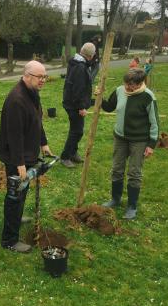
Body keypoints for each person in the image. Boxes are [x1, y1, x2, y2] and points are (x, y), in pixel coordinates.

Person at [0, 60, 53, 253]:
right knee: (15, 194)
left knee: (22, 191)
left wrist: (43, 143)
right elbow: (14, 135)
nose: (43, 80)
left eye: (45, 77)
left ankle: (17, 217)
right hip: (16, 156)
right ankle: (9, 240)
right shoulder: (17, 100)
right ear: (27, 76)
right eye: (40, 77)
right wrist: (19, 163)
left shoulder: (32, 94)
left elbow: (37, 120)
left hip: (27, 154)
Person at [101, 68, 159, 220]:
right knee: (117, 169)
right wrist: (99, 97)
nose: (127, 87)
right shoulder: (120, 90)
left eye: (130, 84)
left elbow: (154, 122)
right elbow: (108, 107)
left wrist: (151, 144)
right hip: (120, 138)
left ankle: (132, 206)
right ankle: (115, 199)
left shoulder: (148, 97)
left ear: (140, 83)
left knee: (134, 172)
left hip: (139, 140)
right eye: (125, 83)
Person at [60, 42, 96, 168]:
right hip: (74, 104)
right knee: (77, 131)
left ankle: (73, 153)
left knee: (76, 130)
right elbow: (78, 89)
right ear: (90, 56)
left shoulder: (75, 61)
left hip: (71, 101)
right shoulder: (80, 67)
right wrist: (81, 107)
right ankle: (65, 156)